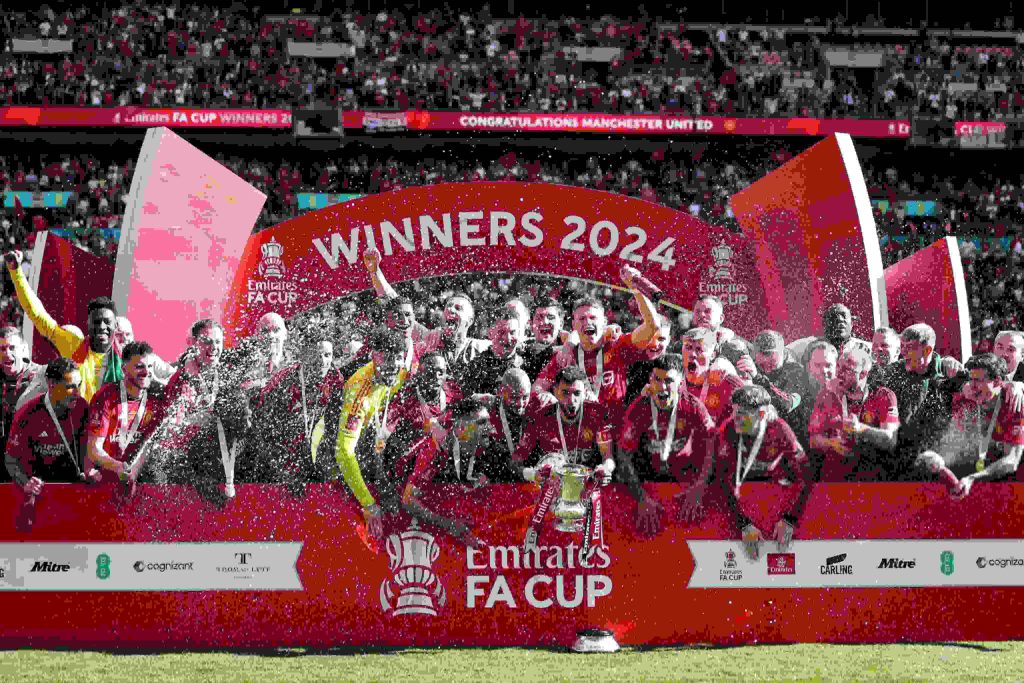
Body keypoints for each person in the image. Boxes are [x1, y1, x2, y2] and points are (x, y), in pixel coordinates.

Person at [699, 385, 813, 560]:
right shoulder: (729, 429)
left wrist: (791, 520)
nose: (735, 418)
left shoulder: (780, 430)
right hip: (744, 493)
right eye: (734, 411)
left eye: (741, 413)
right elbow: (721, 479)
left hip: (774, 493)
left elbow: (806, 475)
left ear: (761, 414)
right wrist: (743, 524)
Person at [534, 268, 660, 422]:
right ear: (573, 325)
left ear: (605, 322)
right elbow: (537, 388)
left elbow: (653, 326)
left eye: (593, 318)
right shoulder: (566, 356)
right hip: (581, 431)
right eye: (582, 319)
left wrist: (635, 289)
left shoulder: (617, 346)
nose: (588, 322)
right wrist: (547, 397)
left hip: (615, 430)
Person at [617, 353, 716, 535]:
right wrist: (640, 497)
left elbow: (712, 447)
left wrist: (699, 488)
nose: (662, 387)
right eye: (657, 379)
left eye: (669, 381)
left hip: (684, 484)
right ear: (650, 379)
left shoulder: (694, 407)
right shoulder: (638, 409)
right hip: (648, 484)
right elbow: (624, 454)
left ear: (681, 382)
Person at [4, 250, 121, 401]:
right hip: (76, 415)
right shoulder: (73, 344)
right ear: (88, 323)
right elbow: (37, 314)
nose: (102, 327)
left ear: (116, 325)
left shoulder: (125, 357)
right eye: (96, 322)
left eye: (107, 322)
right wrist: (16, 272)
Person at [363, 248, 489, 384]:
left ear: (470, 321)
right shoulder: (430, 339)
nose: (450, 310)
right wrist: (375, 272)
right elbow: (395, 303)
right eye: (448, 306)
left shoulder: (480, 347)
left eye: (458, 308)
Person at [333, 330, 408, 540]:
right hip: (334, 444)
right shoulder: (358, 392)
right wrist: (368, 504)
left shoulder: (401, 372)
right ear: (374, 356)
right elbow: (343, 453)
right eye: (387, 358)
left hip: (372, 434)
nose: (394, 366)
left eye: (398, 358)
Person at [917, 353, 1024, 497]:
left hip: (1011, 487)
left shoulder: (1014, 401)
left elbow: (1011, 461)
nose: (972, 386)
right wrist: (934, 457)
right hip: (977, 478)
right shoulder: (967, 397)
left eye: (978, 380)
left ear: (997, 381)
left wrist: (972, 478)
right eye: (971, 379)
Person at [401, 396, 493, 546]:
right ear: (461, 428)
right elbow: (407, 500)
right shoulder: (434, 452)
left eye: (488, 421)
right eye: (482, 422)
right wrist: (449, 525)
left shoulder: (469, 435)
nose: (490, 428)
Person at [5, 359, 89, 508]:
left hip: (74, 491)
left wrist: (90, 469)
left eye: (79, 385)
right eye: (70, 387)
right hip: (41, 495)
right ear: (51, 384)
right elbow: (10, 459)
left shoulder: (82, 408)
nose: (77, 393)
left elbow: (90, 449)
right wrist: (26, 482)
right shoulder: (27, 414)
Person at [377, 352, 455, 509]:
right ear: (419, 373)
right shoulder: (405, 399)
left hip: (437, 469)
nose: (436, 376)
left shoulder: (452, 395)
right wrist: (385, 489)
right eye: (430, 371)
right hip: (406, 468)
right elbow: (380, 443)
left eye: (441, 372)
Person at [808, 346, 899, 481]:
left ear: (863, 374)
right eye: (839, 367)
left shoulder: (884, 396)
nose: (839, 373)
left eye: (847, 369)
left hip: (869, 475)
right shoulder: (827, 395)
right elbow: (813, 440)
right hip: (835, 475)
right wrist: (831, 443)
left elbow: (890, 440)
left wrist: (861, 429)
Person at [513, 366, 614, 481]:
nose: (571, 400)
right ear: (555, 391)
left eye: (577, 393)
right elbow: (515, 462)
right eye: (565, 393)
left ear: (585, 392)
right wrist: (533, 474)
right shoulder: (540, 418)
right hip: (552, 486)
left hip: (588, 484)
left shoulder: (597, 415)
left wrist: (605, 469)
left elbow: (608, 457)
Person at [85, 341, 166, 484]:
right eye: (139, 367)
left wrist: (135, 470)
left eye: (149, 366)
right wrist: (117, 467)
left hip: (140, 481)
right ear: (124, 369)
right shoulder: (105, 397)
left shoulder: (157, 398)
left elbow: (152, 446)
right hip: (107, 481)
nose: (146, 372)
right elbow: (93, 449)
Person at [1, 326, 46, 481]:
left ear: (24, 349)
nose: (7, 353)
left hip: (34, 459)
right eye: (2, 349)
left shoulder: (42, 377)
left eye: (12, 347)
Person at [476, 367, 533, 481]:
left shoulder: (535, 407)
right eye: (514, 397)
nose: (520, 403)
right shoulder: (487, 405)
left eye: (525, 397)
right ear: (501, 391)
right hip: (496, 475)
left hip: (527, 475)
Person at [680, 327, 745, 426]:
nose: (692, 354)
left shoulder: (727, 383)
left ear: (713, 355)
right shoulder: (672, 379)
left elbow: (746, 423)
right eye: (688, 347)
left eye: (699, 349)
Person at [462, 309, 526, 397]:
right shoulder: (477, 367)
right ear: (490, 333)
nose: (507, 338)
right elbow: (464, 398)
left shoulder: (526, 363)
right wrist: (477, 399)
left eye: (512, 332)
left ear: (519, 333)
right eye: (501, 332)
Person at [790, 340, 838, 449]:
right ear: (808, 367)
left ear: (836, 367)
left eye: (829, 365)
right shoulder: (796, 397)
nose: (824, 370)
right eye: (818, 365)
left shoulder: (845, 395)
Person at [787, 303, 869, 364]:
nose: (840, 319)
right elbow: (783, 354)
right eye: (833, 317)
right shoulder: (806, 346)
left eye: (844, 316)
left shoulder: (865, 349)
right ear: (824, 324)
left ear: (852, 324)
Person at [749, 330, 803, 417]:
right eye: (762, 366)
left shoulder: (797, 372)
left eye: (772, 365)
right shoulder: (752, 362)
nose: (767, 371)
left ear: (783, 353)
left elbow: (786, 405)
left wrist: (758, 378)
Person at [624, 318, 672, 407]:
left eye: (661, 339)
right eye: (650, 338)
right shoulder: (629, 364)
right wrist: (640, 397)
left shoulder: (675, 366)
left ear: (668, 340)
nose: (654, 344)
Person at [521, 297, 564, 381]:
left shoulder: (572, 352)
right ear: (531, 324)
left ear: (561, 324)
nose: (545, 322)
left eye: (551, 317)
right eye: (539, 317)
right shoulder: (521, 354)